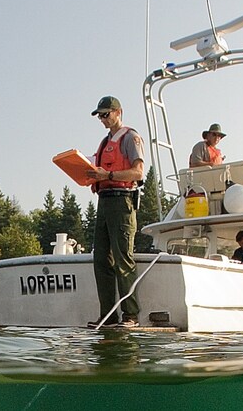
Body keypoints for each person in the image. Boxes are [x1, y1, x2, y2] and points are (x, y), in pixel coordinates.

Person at [85, 96, 145, 329]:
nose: (102, 119)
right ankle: (108, 316)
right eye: (99, 115)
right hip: (104, 202)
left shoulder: (130, 137)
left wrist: (108, 176)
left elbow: (138, 173)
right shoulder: (103, 142)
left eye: (105, 114)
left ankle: (131, 316)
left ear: (118, 112)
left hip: (122, 202)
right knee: (101, 259)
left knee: (123, 258)